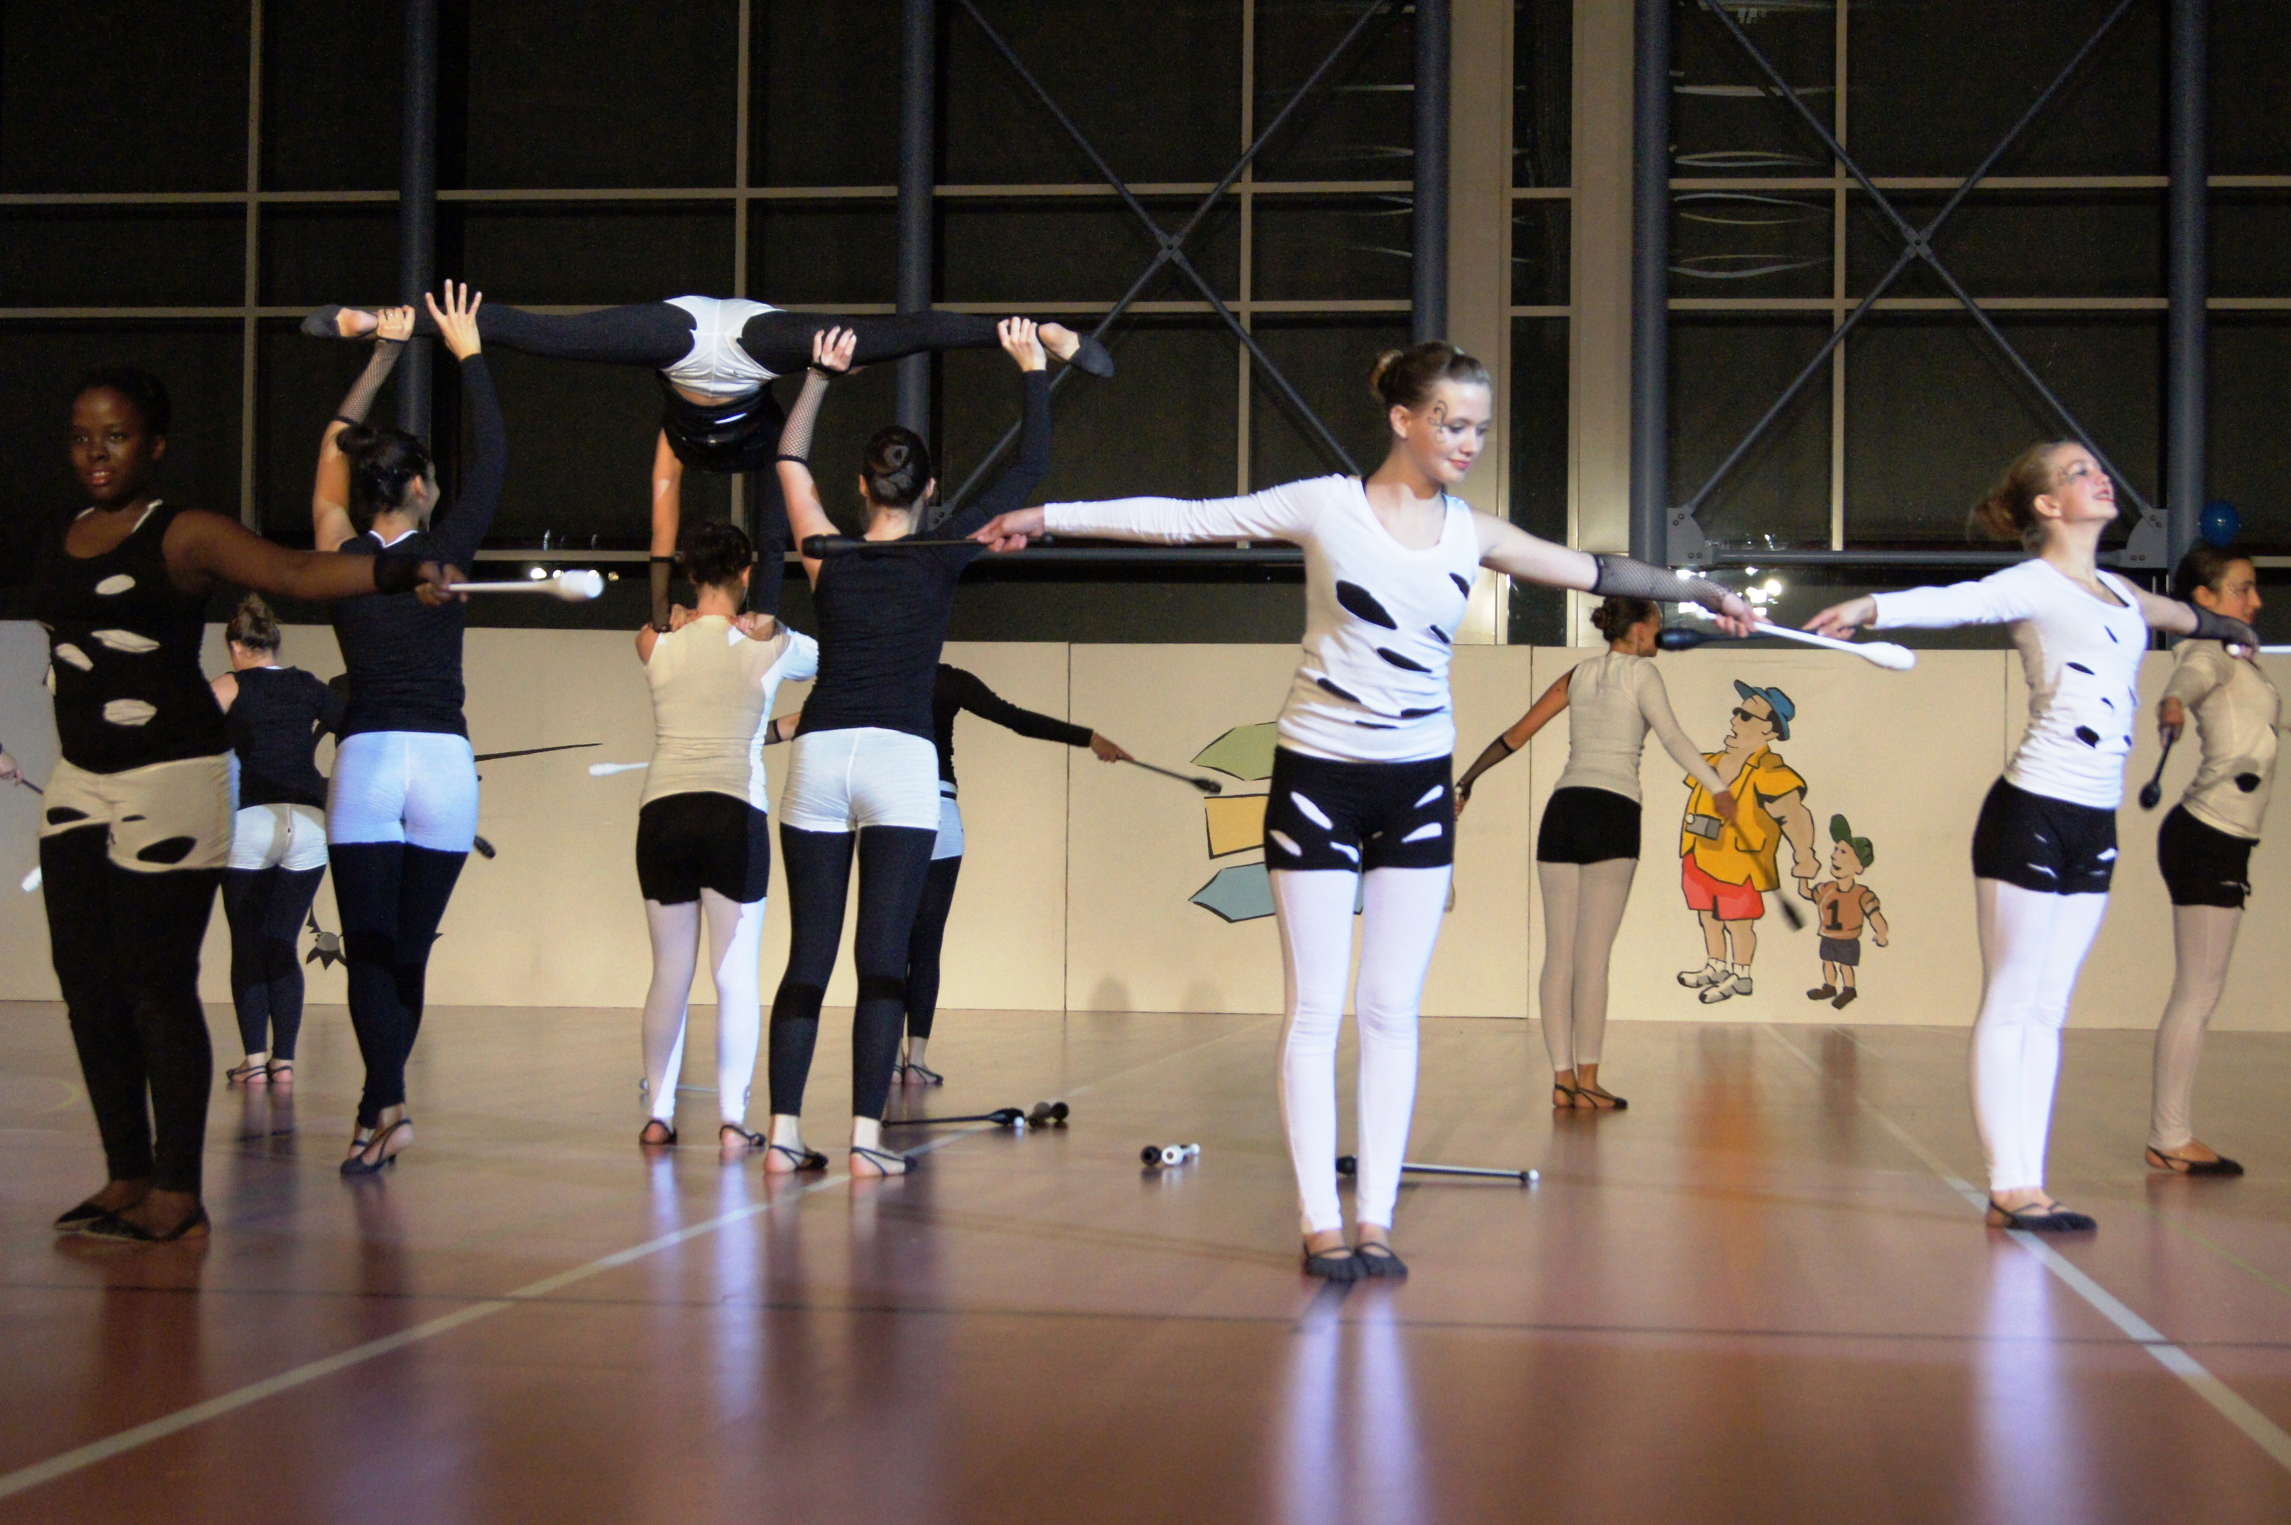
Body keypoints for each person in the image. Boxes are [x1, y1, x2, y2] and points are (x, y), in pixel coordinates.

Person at [974, 340, 1757, 1280]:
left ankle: (1375, 1220)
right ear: (1402, 418)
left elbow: (1596, 570)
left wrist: (1700, 591)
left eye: (1479, 429)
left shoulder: (1473, 532)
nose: (1467, 442)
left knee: (1391, 1010)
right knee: (1315, 1009)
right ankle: (1320, 1222)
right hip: (1318, 778)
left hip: (1415, 786)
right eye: (1451, 424)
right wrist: (1043, 517)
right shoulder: (1325, 505)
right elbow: (1185, 520)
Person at [36, 367, 453, 1242]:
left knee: (155, 984)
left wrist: (398, 569)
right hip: (77, 780)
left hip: (169, 778)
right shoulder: (64, 532)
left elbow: (296, 571)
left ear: (155, 445)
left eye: (116, 435)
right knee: (86, 983)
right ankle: (125, 1171)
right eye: (81, 436)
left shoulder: (185, 532)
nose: (96, 452)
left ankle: (176, 1189)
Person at [1806, 441, 2257, 1232]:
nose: (2099, 476)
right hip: (2030, 813)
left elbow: (2182, 616)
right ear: (2047, 505)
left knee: (2049, 1007)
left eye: (2095, 467)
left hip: (2094, 821)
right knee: (2013, 999)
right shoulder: (2030, 584)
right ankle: (2009, 1184)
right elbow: (1955, 600)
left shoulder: (2121, 591)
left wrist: (2227, 626)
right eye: (2077, 472)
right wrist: (1868, 607)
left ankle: (2029, 1182)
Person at [764, 319, 1078, 1178]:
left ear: (862, 485)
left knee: (807, 957)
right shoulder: (942, 553)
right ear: (929, 489)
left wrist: (819, 378)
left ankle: (783, 1133)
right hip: (900, 765)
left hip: (820, 753)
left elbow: (788, 461)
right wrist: (1030, 370)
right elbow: (1028, 469)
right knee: (881, 962)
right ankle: (866, 1139)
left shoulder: (826, 553)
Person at [301, 297, 1110, 624]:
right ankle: (1031, 332)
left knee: (547, 336)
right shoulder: (761, 441)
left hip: (697, 342)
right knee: (883, 337)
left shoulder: (678, 443)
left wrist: (667, 608)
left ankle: (382, 323)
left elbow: (681, 528)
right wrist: (759, 611)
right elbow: (764, 529)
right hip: (741, 343)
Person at [313, 283, 506, 1177]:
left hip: (365, 760)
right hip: (442, 766)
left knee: (367, 951)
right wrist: (467, 353)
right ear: (422, 487)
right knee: (407, 949)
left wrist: (381, 356)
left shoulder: (339, 556)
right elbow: (497, 457)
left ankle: (382, 1102)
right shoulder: (446, 552)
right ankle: (381, 1107)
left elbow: (330, 448)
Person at [1454, 595, 1733, 1110]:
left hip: (1563, 811)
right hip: (1612, 811)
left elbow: (1515, 735)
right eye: (1658, 623)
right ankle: (1589, 1079)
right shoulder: (1643, 675)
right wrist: (1717, 786)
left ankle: (1563, 1080)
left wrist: (1466, 781)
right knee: (1592, 958)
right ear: (1640, 629)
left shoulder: (1578, 675)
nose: (1662, 631)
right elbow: (1672, 737)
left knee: (1559, 954)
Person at [631, 519, 818, 1156]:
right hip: (732, 812)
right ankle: (733, 1122)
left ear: (691, 574)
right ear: (746, 574)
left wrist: (677, 617)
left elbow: (651, 632)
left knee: (669, 973)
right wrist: (775, 625)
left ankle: (658, 1116)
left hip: (662, 813)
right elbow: (834, 661)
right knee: (734, 977)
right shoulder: (773, 644)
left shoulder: (654, 641)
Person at [2147, 544, 2277, 1177]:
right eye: (2241, 589)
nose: (2256, 600)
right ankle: (2169, 1137)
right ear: (2204, 597)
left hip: (2222, 837)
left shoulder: (2238, 656)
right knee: (2198, 991)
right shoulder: (2208, 651)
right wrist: (2172, 705)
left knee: (2203, 990)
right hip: (2207, 836)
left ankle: (2169, 1134)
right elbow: (2188, 679)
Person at [211, 593, 345, 1088]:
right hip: (308, 823)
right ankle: (284, 1062)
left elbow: (184, 737)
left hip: (250, 822)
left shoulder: (229, 685)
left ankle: (253, 1060)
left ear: (236, 646)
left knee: (248, 945)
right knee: (282, 943)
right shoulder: (306, 684)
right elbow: (355, 725)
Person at [1673, 681, 1818, 1004]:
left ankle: (1741, 976)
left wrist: (1805, 855)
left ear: (1770, 730)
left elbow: (1795, 816)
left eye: (1746, 716)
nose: (1735, 719)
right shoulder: (1709, 762)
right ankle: (1716, 966)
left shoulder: (1771, 774)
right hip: (1698, 854)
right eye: (1737, 712)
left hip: (1740, 864)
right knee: (1708, 917)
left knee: (1737, 923)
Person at [1803, 815, 1889, 1009]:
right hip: (1828, 935)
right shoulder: (1827, 888)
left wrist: (1882, 933)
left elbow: (1875, 915)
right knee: (1827, 961)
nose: (1834, 856)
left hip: (1848, 939)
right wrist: (1803, 875)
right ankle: (1829, 987)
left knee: (1845, 965)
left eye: (1843, 852)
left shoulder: (1861, 894)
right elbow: (1807, 893)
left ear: (1858, 867)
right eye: (1836, 850)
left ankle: (1849, 989)